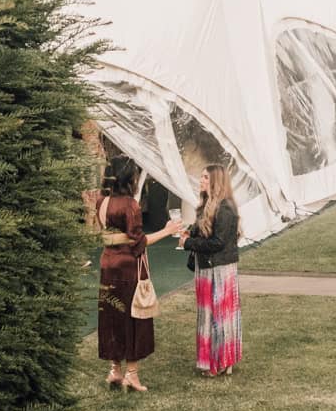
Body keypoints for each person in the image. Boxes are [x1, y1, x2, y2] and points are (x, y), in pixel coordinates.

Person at [97, 158, 182, 393]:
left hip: (107, 265)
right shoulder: (130, 205)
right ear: (129, 179)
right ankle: (131, 374)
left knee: (111, 316)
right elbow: (139, 242)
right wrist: (168, 231)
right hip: (127, 268)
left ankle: (114, 369)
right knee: (133, 317)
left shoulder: (101, 202)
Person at [180, 164, 242, 378]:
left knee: (219, 316)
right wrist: (189, 232)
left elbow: (217, 243)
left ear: (215, 181)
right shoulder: (206, 205)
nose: (201, 180)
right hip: (207, 268)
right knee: (210, 315)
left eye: (205, 177)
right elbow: (204, 233)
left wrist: (189, 244)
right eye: (202, 176)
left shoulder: (225, 208)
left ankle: (220, 362)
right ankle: (218, 360)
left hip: (219, 269)